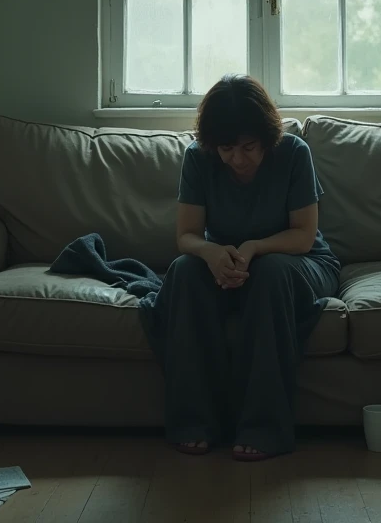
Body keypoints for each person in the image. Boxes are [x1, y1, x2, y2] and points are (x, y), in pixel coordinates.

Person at [142, 74, 341, 462]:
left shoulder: (294, 153)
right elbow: (186, 236)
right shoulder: (197, 159)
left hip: (300, 262)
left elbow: (302, 236)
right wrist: (211, 253)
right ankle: (195, 421)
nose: (238, 159)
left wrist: (253, 247)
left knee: (270, 274)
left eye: (249, 147)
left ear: (266, 137)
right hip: (229, 261)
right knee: (183, 271)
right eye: (227, 148)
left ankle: (265, 428)